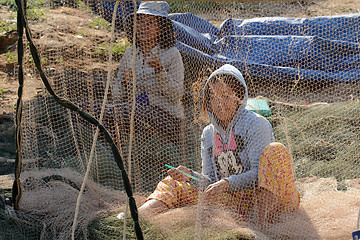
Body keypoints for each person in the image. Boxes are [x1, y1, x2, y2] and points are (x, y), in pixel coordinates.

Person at [138, 64, 300, 225]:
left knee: (276, 150)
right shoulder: (208, 134)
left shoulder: (256, 124)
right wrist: (191, 176)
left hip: (269, 199)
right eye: (214, 98)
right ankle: (137, 218)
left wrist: (227, 183)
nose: (220, 103)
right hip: (234, 202)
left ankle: (264, 228)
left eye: (226, 96)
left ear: (239, 97)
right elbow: (210, 181)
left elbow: (260, 175)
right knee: (173, 183)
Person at [113, 1, 184, 142]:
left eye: (150, 23)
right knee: (105, 113)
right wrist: (122, 82)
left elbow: (175, 95)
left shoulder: (171, 54)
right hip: (133, 115)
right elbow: (116, 98)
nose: (143, 28)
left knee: (135, 111)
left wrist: (159, 71)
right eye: (139, 22)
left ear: (161, 28)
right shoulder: (130, 54)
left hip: (167, 120)